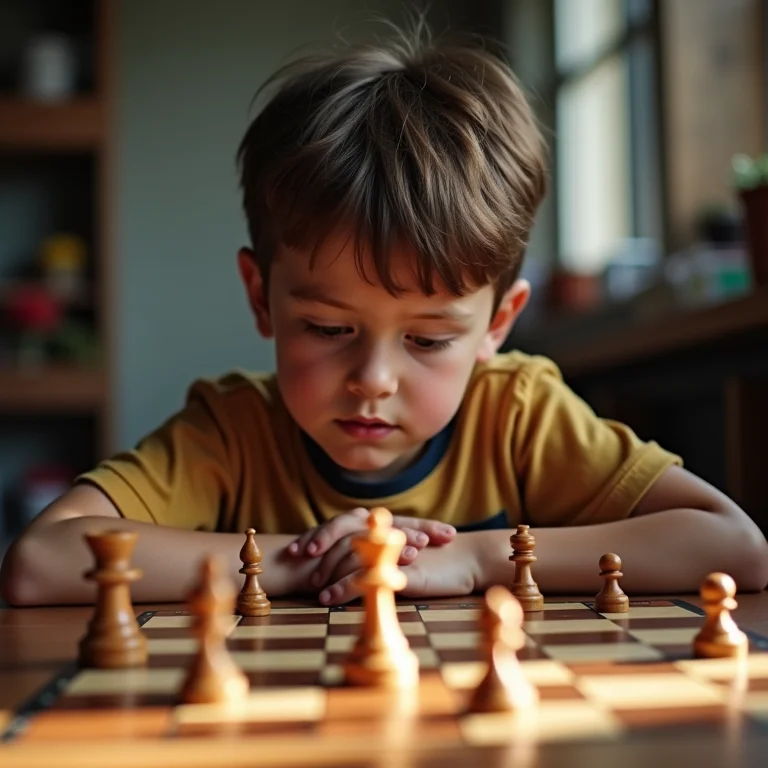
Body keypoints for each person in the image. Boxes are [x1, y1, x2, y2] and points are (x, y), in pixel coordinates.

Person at [2, 23, 767, 607]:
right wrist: (304, 559)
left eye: (429, 339)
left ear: (498, 326)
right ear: (262, 297)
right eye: (329, 329)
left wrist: (477, 557)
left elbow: (735, 547)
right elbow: (42, 561)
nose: (372, 380)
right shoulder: (231, 433)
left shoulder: (519, 415)